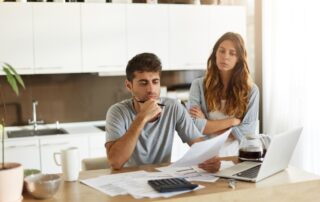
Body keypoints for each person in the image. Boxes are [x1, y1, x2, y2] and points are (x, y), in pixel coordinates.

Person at [105, 52, 220, 172]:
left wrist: (211, 159)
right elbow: (115, 162)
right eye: (143, 83)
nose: (151, 89)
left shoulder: (173, 107)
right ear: (129, 86)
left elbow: (199, 146)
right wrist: (142, 118)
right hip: (127, 180)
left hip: (162, 178)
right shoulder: (117, 112)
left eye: (155, 82)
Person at [188, 32, 259, 156]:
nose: (225, 56)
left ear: (239, 59)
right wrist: (232, 122)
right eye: (221, 51)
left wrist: (208, 125)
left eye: (232, 53)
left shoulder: (251, 90)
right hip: (207, 157)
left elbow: (247, 133)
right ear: (215, 53)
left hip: (238, 157)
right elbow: (194, 127)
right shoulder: (198, 85)